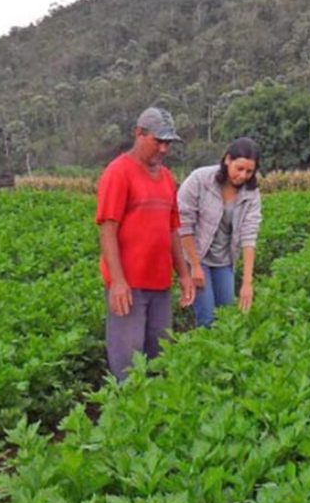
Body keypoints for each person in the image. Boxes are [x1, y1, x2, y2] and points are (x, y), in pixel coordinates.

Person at [96, 106, 196, 382]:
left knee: (160, 357)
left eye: (168, 143)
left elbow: (172, 229)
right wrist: (117, 281)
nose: (164, 149)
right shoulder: (118, 173)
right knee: (128, 364)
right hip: (130, 286)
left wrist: (185, 274)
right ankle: (126, 419)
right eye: (158, 141)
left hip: (160, 284)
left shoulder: (166, 177)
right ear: (139, 134)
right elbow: (107, 229)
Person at [176, 137, 263, 327]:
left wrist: (247, 283)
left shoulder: (251, 193)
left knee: (227, 316)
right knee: (207, 318)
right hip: (197, 256)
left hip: (224, 259)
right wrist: (195, 265)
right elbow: (184, 224)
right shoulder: (200, 180)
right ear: (227, 160)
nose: (243, 176)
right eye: (239, 168)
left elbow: (249, 235)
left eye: (249, 171)